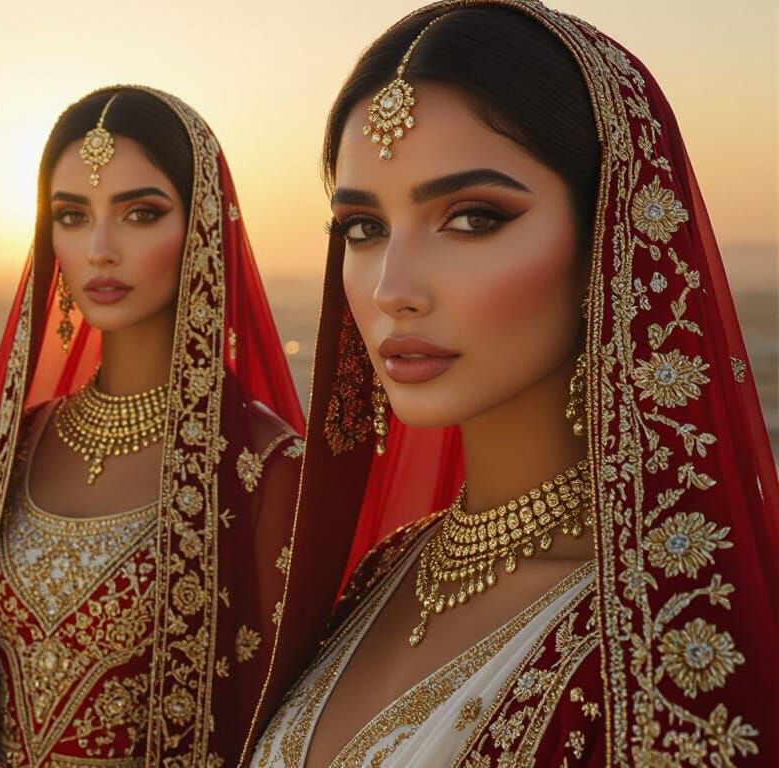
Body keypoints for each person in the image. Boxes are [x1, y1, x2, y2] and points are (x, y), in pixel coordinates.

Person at [252, 2, 779, 765]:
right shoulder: (385, 572)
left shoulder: (672, 641)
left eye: (472, 219)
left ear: (611, 236)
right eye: (364, 228)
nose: (393, 289)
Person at [0, 85, 331, 767]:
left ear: (203, 229)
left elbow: (280, 733)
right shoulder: (14, 443)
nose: (99, 249)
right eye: (71, 216)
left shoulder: (265, 471)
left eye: (140, 214)